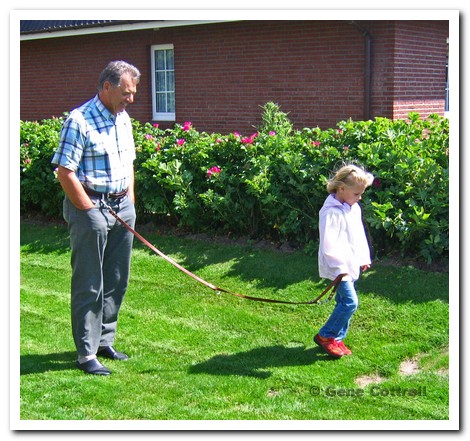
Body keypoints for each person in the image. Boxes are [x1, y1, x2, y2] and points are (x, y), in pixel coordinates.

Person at [52, 60, 141, 375]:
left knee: (116, 280)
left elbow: (128, 162)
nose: (130, 99)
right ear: (107, 86)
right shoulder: (79, 120)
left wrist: (128, 202)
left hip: (121, 209)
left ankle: (105, 341)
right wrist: (88, 209)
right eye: (126, 93)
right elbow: (64, 170)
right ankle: (86, 354)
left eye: (133, 94)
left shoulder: (123, 118)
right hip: (92, 210)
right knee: (90, 283)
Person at [314, 163, 374, 358]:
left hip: (350, 263)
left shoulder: (352, 208)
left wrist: (363, 258)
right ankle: (325, 336)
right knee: (349, 302)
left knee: (343, 302)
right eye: (357, 193)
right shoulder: (330, 212)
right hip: (338, 266)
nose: (359, 197)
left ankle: (337, 338)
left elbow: (359, 235)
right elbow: (329, 245)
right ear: (342, 189)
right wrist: (341, 269)